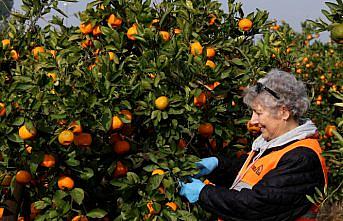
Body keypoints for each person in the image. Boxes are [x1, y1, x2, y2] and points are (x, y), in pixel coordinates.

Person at [179, 69, 328, 221]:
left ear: (283, 112)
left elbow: (256, 205)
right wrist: (217, 166)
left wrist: (204, 193)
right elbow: (251, 172)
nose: (253, 121)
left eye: (259, 113)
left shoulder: (302, 158)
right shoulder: (276, 144)